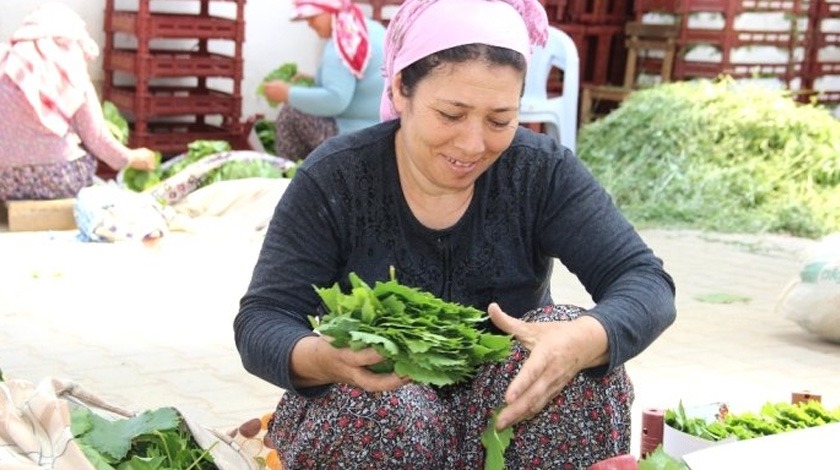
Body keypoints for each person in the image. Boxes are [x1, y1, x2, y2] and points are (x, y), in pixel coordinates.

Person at [235, 0, 677, 467]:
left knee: (571, 359)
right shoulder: (335, 179)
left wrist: (585, 338)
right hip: (386, 410)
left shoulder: (539, 172)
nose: (473, 144)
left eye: (499, 120)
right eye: (450, 114)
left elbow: (644, 281)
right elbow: (264, 318)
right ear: (402, 87)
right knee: (373, 407)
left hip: (513, 415)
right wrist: (322, 359)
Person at [0, 2, 156, 201]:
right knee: (87, 157)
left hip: (3, 182)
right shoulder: (71, 71)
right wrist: (132, 158)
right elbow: (97, 140)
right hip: (55, 180)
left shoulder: (6, 63)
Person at [262, 0, 386, 161]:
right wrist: (313, 79)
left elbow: (336, 100)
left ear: (330, 11)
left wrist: (287, 94)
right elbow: (356, 80)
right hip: (381, 131)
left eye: (312, 17)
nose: (309, 24)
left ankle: (290, 175)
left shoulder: (342, 44)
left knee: (290, 114)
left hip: (354, 135)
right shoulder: (364, 28)